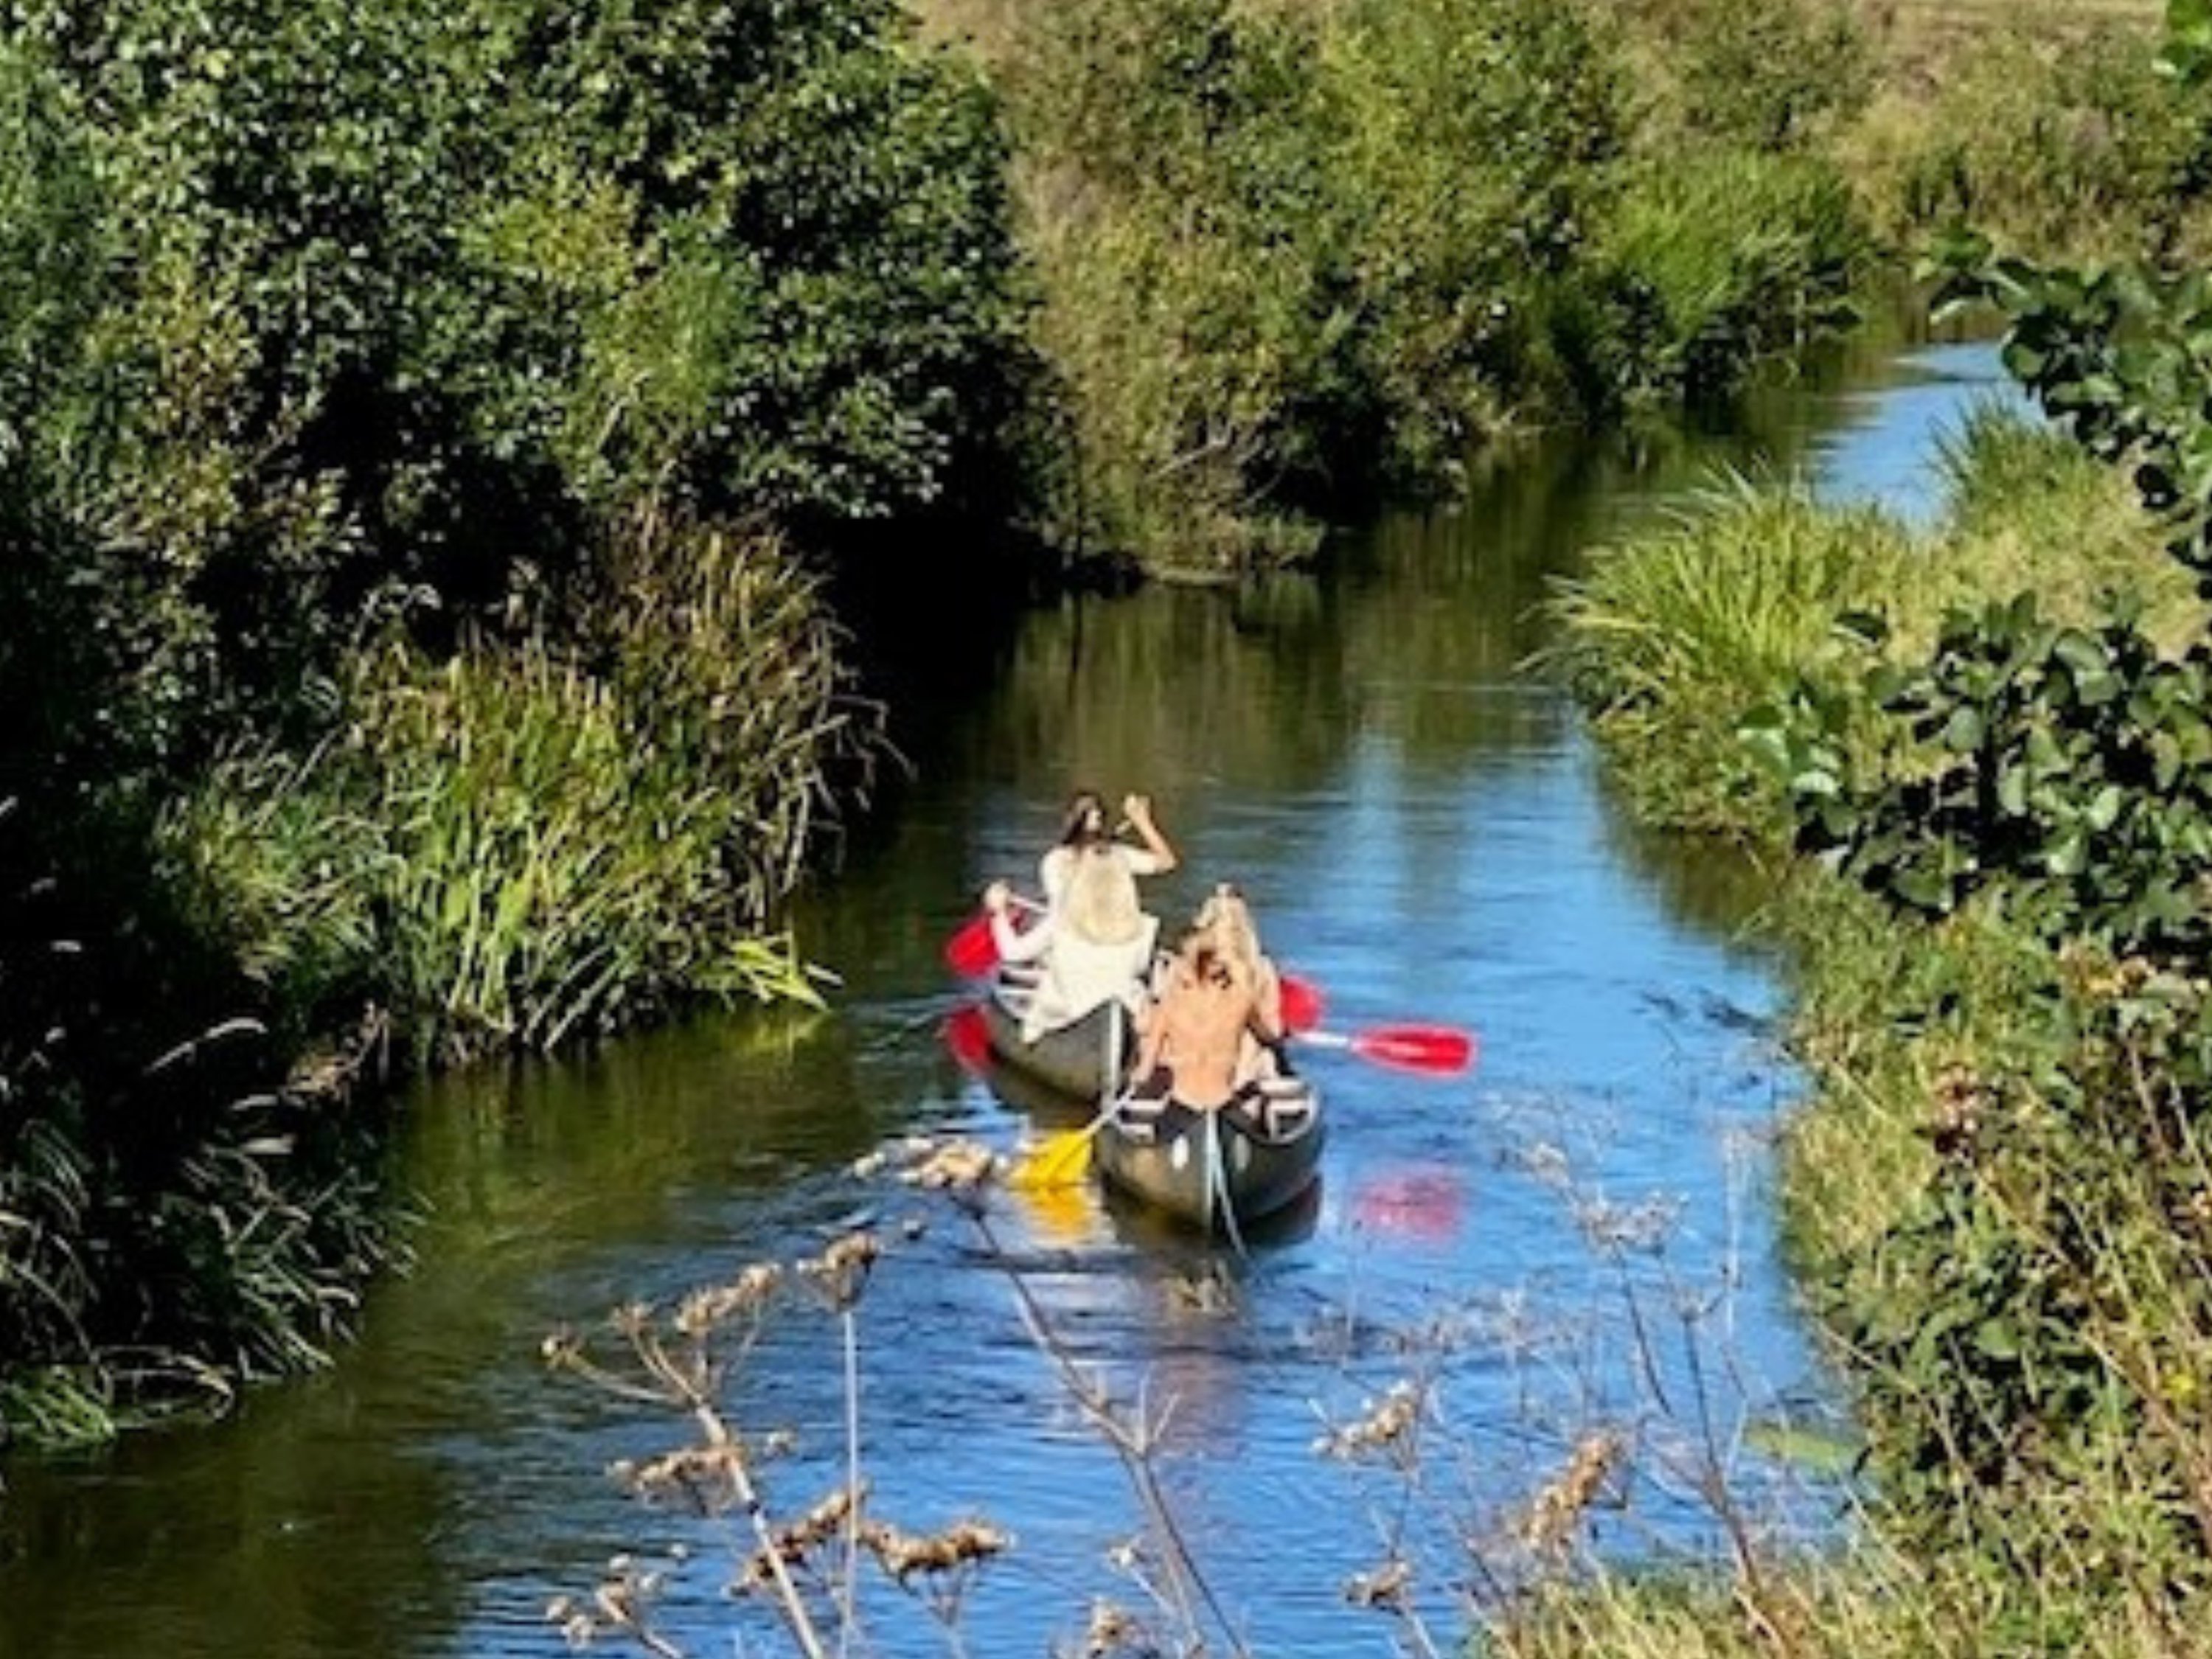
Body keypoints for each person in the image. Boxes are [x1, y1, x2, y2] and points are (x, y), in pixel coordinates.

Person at [1130, 916, 1283, 1112]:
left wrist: (1136, 1082)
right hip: (1224, 1106)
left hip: (1182, 1107)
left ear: (1183, 966)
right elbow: (1269, 1037)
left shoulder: (1168, 1008)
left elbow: (1144, 1073)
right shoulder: (1241, 1002)